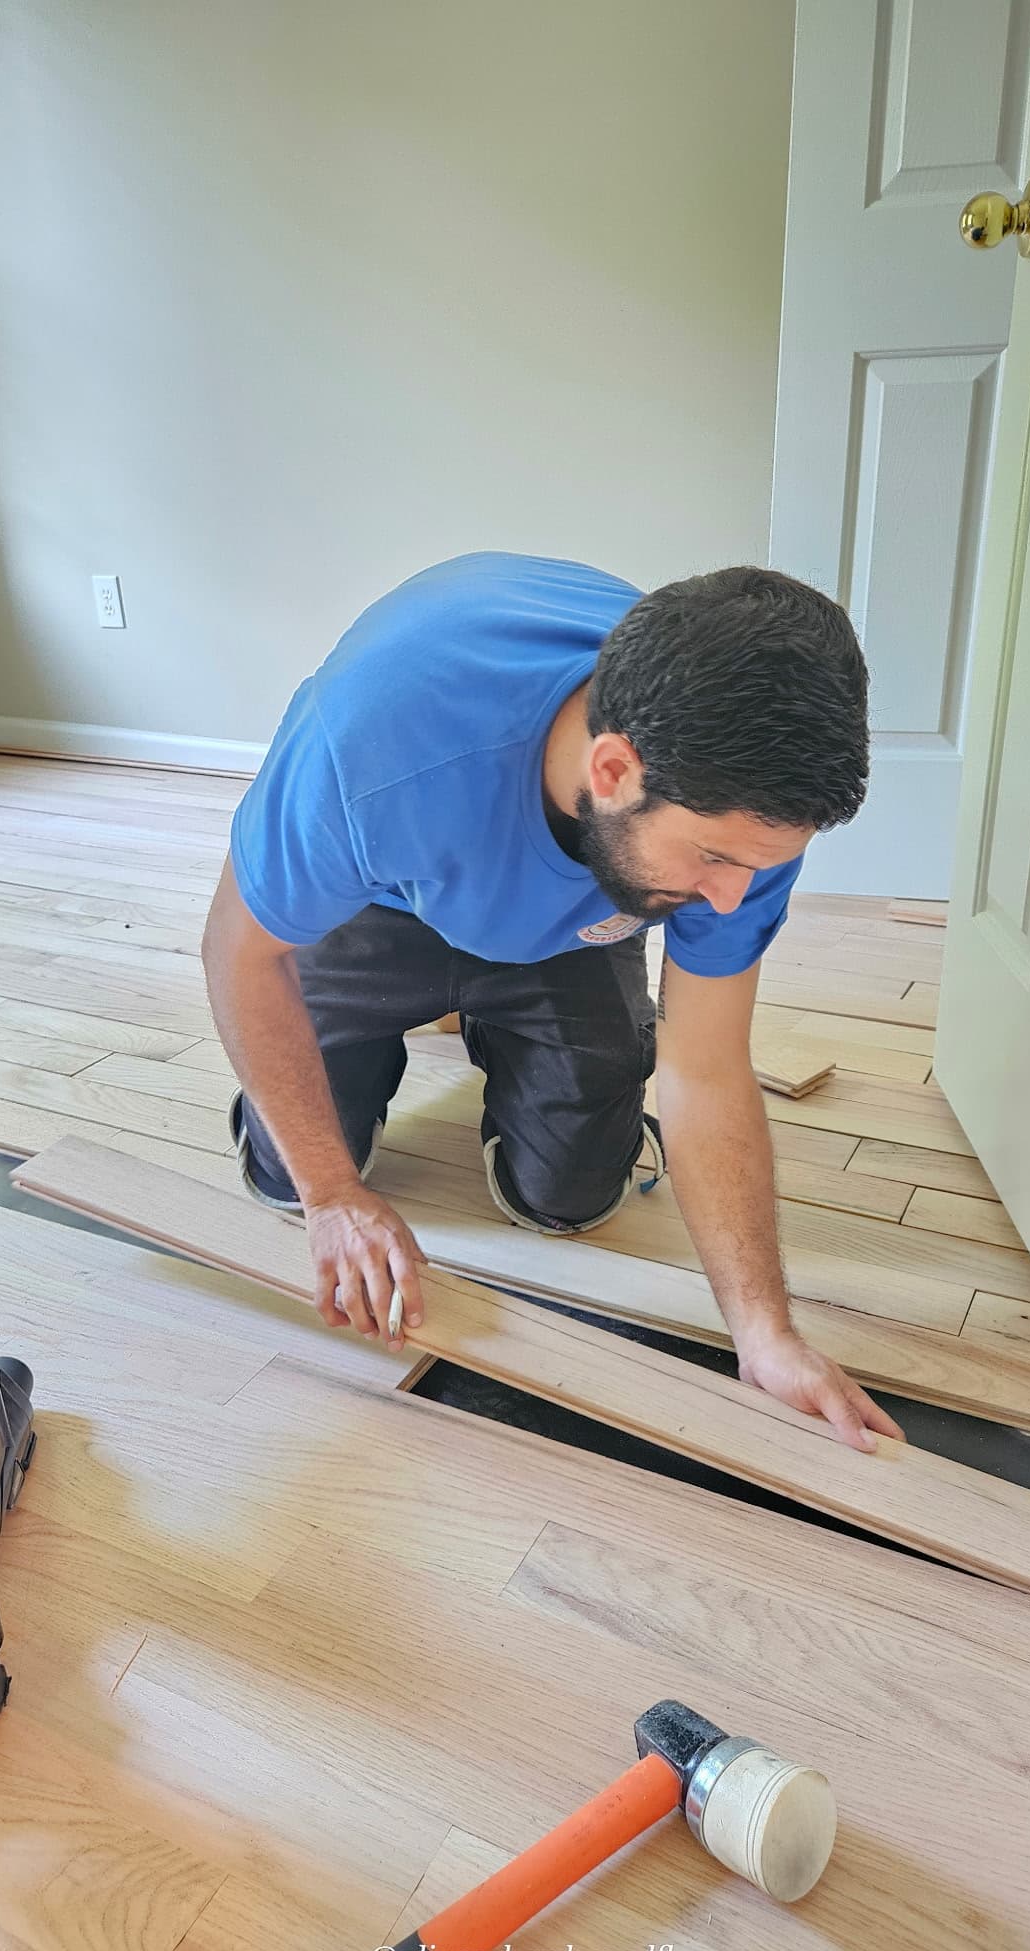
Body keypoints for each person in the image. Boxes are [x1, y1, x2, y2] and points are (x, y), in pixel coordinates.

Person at [203, 552, 904, 1453]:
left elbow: (705, 1063)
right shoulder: (371, 751)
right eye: (713, 862)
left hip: (568, 920)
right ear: (611, 770)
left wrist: (764, 1331)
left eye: (754, 866)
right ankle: (401, 1042)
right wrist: (333, 1193)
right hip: (383, 899)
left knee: (568, 1197)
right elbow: (238, 951)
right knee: (286, 1177)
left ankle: (499, 1014)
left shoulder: (745, 815)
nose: (731, 898)